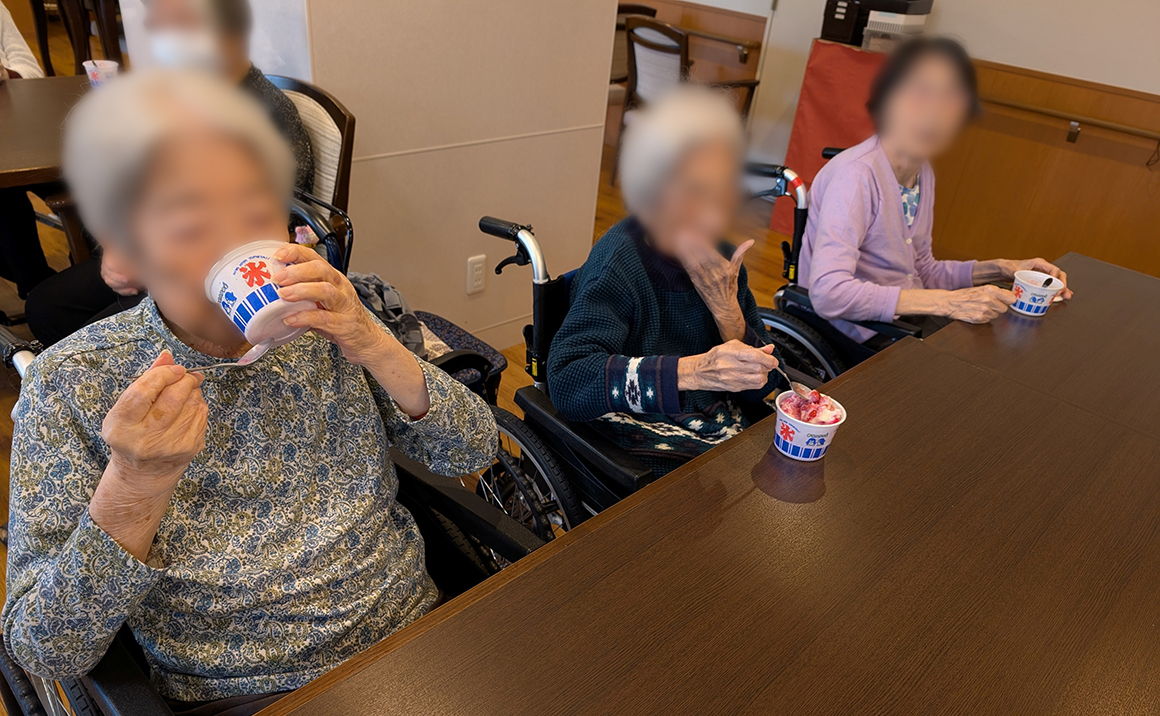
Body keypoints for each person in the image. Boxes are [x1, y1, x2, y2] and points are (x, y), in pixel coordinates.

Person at [3, 71, 497, 716]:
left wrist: (372, 340)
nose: (235, 238)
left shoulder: (334, 317)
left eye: (254, 205)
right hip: (247, 693)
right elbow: (45, 649)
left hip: (417, 642)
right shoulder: (72, 383)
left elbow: (471, 449)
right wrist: (134, 484)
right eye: (191, 217)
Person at [25, 0, 316, 346]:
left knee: (90, 341)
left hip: (226, 266)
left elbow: (271, 224)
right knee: (46, 307)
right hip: (167, 238)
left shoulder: (264, 114)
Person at [548, 87, 784, 477]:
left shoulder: (724, 260)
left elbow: (765, 383)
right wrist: (696, 371)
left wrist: (728, 312)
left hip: (718, 423)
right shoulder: (619, 263)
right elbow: (568, 381)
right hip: (641, 436)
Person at [799, 37, 1072, 349]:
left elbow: (923, 270)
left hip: (904, 320)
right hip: (855, 330)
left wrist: (1002, 268)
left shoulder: (921, 171)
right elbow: (829, 294)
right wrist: (948, 302)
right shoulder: (856, 176)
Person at [0, 0, 55, 300]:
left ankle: (93, 267)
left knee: (75, 169)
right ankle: (37, 287)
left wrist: (6, 73)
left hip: (19, 125)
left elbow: (32, 71)